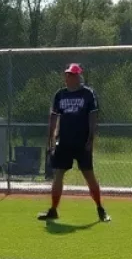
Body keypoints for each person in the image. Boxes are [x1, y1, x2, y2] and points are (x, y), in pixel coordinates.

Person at [38, 63, 109, 223]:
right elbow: (54, 117)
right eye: (67, 74)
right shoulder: (60, 95)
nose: (68, 77)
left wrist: (91, 139)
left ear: (78, 77)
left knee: (89, 176)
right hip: (64, 141)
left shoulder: (87, 94)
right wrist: (50, 138)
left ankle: (100, 208)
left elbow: (93, 117)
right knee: (58, 175)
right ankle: (53, 210)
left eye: (71, 75)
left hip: (82, 142)